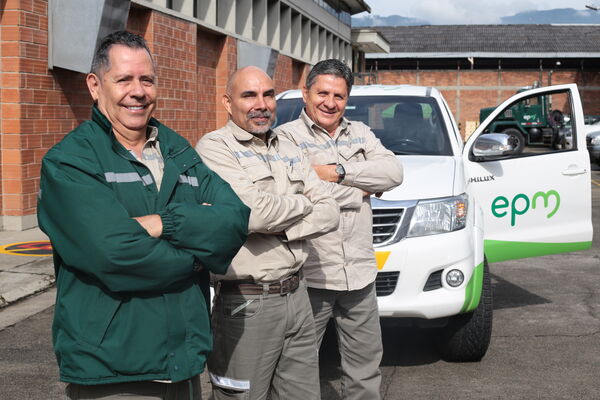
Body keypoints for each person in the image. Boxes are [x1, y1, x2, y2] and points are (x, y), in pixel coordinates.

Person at [37, 31, 250, 400]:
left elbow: (233, 220)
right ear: (94, 85)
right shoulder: (70, 162)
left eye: (146, 79)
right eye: (123, 79)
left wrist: (164, 223)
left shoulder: (176, 150)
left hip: (183, 362)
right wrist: (199, 254)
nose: (138, 91)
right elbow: (115, 254)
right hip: (115, 371)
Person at [195, 66, 340, 400]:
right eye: (249, 95)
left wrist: (284, 230)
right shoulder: (215, 149)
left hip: (298, 296)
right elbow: (252, 213)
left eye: (268, 94)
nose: (261, 104)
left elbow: (330, 209)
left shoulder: (287, 146)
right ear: (228, 103)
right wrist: (304, 204)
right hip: (247, 303)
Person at [275, 59, 404, 400]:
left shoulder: (360, 132)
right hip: (312, 276)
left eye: (339, 96)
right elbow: (299, 194)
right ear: (306, 93)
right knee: (296, 372)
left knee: (364, 371)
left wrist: (336, 173)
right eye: (323, 93)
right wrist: (363, 185)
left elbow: (393, 173)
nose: (330, 103)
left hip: (360, 272)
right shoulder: (285, 139)